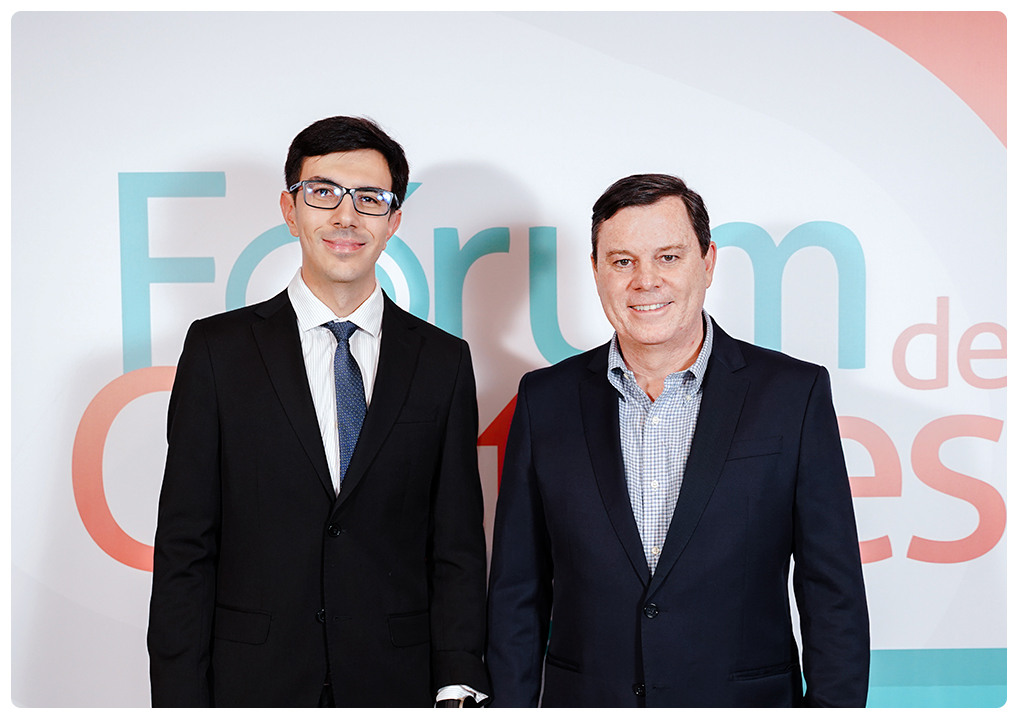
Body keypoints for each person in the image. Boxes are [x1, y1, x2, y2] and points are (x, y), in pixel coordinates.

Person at [486, 173, 869, 707]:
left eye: (668, 257)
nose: (646, 281)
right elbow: (516, 593)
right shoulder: (544, 399)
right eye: (622, 261)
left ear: (707, 262)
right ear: (595, 271)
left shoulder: (793, 395)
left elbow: (833, 593)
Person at [148, 116, 490, 707]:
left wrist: (458, 683)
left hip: (396, 682)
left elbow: (455, 544)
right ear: (290, 209)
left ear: (393, 220)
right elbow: (186, 546)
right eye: (324, 192)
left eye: (370, 198)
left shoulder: (443, 361)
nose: (346, 216)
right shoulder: (218, 351)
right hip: (252, 683)